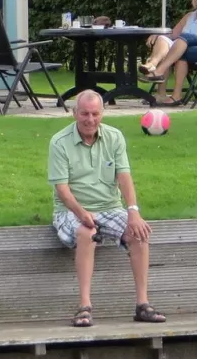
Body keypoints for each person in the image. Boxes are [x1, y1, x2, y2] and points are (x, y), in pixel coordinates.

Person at [48, 90, 166, 328]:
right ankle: (84, 306)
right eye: (84, 114)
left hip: (109, 206)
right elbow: (62, 189)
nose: (89, 119)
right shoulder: (59, 142)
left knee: (139, 232)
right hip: (70, 210)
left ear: (102, 113)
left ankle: (142, 304)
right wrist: (82, 214)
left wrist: (133, 211)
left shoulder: (115, 137)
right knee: (86, 233)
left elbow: (124, 176)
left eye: (94, 114)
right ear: (74, 114)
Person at [140, 0, 197, 105]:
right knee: (163, 39)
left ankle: (169, 87)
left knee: (175, 54)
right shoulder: (189, 16)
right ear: (194, 0)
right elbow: (173, 34)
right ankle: (157, 83)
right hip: (179, 47)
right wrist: (157, 35)